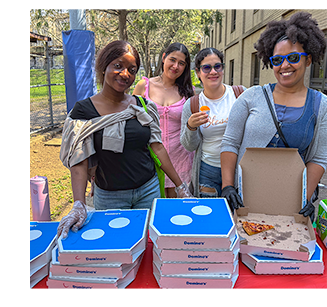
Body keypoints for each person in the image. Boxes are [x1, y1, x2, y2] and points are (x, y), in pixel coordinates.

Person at [58, 40, 188, 238]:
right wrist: (79, 204)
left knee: (148, 243)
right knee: (115, 244)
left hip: (148, 190)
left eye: (132, 70)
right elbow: (78, 160)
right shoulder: (83, 111)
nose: (125, 74)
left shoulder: (143, 106)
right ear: (104, 66)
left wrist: (180, 187)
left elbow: (157, 148)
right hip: (110, 197)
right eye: (118, 66)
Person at [220, 12, 327, 215]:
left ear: (308, 60)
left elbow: (319, 158)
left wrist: (303, 198)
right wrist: (228, 186)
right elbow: (230, 143)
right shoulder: (251, 97)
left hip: (291, 202)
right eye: (277, 60)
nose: (284, 65)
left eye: (293, 58)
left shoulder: (321, 105)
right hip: (244, 198)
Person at [181, 48, 244, 196]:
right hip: (207, 170)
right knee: (209, 210)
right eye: (206, 68)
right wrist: (191, 127)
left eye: (217, 66)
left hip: (238, 168)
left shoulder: (240, 94)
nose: (213, 72)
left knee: (237, 210)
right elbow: (189, 146)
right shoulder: (192, 104)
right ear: (198, 73)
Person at [133, 41, 195, 194]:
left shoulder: (188, 92)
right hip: (150, 159)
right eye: (172, 60)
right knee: (154, 205)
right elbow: (131, 121)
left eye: (181, 63)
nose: (175, 66)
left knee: (176, 207)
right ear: (163, 58)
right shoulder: (144, 86)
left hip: (181, 161)